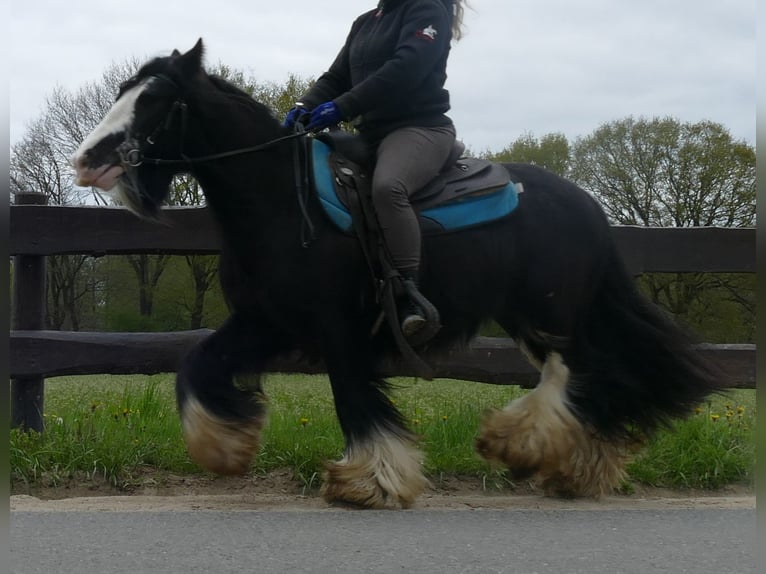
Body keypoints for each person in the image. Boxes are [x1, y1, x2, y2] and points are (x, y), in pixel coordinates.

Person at [284, 0, 468, 338]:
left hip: (420, 128)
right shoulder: (365, 22)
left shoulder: (427, 10)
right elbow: (336, 76)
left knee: (388, 188)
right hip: (369, 134)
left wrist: (343, 107)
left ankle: (410, 295)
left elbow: (407, 66)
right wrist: (304, 106)